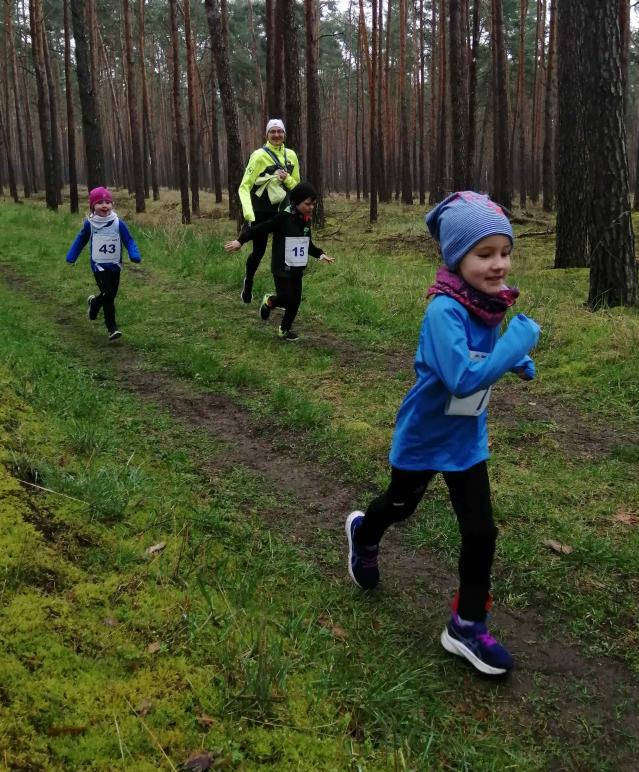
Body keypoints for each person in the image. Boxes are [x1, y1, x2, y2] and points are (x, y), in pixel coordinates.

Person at [344, 191, 540, 676]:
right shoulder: (443, 312)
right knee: (400, 506)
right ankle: (364, 534)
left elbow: (480, 358)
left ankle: (466, 624)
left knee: (481, 531)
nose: (499, 264)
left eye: (505, 252)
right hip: (425, 437)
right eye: (485, 254)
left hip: (466, 439)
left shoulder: (487, 304)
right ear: (456, 258)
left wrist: (514, 359)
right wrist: (516, 342)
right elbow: (462, 378)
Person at [225, 182, 333, 341]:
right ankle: (269, 301)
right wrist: (241, 240)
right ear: (296, 202)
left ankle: (284, 330)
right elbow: (261, 228)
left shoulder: (305, 220)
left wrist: (320, 254)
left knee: (295, 301)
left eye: (313, 204)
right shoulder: (283, 217)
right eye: (307, 204)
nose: (311, 207)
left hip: (297, 268)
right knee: (285, 298)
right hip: (281, 267)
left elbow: (306, 243)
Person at [237, 119, 301, 304]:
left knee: (282, 255)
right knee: (259, 253)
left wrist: (287, 179)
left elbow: (297, 187)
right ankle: (248, 281)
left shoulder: (291, 155)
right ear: (267, 135)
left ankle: (282, 295)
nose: (276, 135)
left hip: (283, 212)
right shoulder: (258, 156)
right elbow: (244, 187)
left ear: (284, 134)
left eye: (280, 131)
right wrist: (249, 215)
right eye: (272, 131)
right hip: (261, 212)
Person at [66, 187, 142, 341]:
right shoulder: (90, 224)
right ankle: (112, 328)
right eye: (100, 202)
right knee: (108, 293)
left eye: (107, 202)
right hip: (98, 265)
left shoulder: (118, 223)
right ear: (93, 206)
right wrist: (72, 256)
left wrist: (134, 254)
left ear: (112, 204)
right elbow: (81, 239)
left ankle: (94, 303)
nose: (104, 205)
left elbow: (129, 240)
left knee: (110, 295)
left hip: (115, 265)